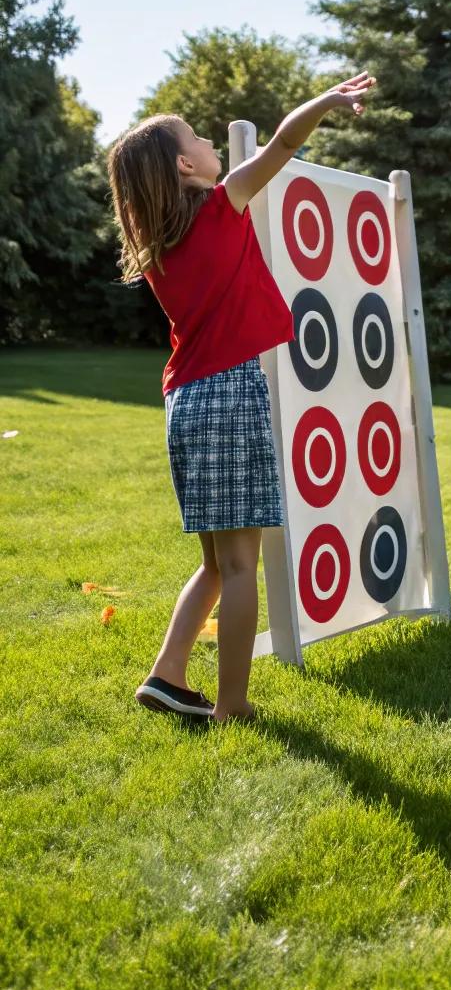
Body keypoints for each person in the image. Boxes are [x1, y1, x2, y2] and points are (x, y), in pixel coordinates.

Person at [107, 76, 375, 723]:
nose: (207, 140)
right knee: (238, 567)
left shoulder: (160, 246)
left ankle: (167, 675)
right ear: (185, 164)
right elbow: (284, 142)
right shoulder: (222, 207)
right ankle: (232, 707)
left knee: (214, 565)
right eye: (197, 136)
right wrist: (329, 101)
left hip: (186, 400)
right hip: (229, 395)